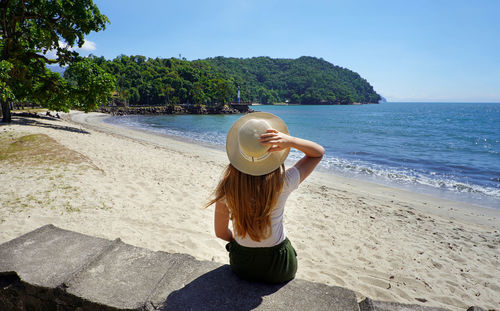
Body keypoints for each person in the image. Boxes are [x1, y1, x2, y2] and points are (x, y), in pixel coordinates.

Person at [206, 112, 325, 283]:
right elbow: (318, 153)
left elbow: (221, 233)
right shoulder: (283, 183)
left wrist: (239, 242)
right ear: (275, 152)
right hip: (279, 267)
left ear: (238, 153)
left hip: (242, 265)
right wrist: (290, 141)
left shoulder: (227, 188)